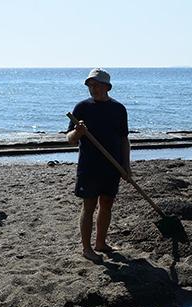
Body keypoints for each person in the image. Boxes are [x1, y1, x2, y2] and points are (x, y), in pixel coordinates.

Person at [67, 68, 131, 262]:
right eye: (90, 85)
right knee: (89, 206)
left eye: (96, 85)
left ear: (107, 87)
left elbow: (123, 140)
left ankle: (100, 243)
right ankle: (87, 248)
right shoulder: (82, 108)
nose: (92, 88)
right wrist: (78, 132)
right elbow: (69, 139)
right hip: (89, 166)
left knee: (107, 205)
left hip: (112, 167)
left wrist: (126, 166)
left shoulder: (118, 109)